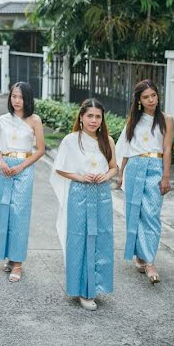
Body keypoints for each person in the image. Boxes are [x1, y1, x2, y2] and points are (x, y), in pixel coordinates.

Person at [50, 99, 118, 311]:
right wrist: (80, 177)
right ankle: (82, 290)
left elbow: (114, 167)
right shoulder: (71, 140)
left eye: (98, 116)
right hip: (79, 193)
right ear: (81, 117)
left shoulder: (108, 140)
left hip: (102, 194)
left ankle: (96, 286)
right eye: (90, 116)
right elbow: (60, 168)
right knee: (79, 238)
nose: (94, 120)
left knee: (101, 237)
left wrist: (106, 175)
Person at [0, 82, 45, 282]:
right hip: (4, 169)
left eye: (20, 97)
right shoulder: (3, 120)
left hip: (24, 168)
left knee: (19, 214)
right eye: (13, 96)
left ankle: (18, 262)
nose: (17, 101)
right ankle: (9, 257)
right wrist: (1, 162)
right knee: (4, 212)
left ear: (27, 99)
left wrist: (22, 166)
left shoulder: (34, 120)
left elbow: (40, 150)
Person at [116, 79, 173, 284]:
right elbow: (126, 147)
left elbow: (167, 149)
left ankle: (150, 261)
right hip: (134, 166)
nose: (151, 100)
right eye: (146, 97)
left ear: (158, 96)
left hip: (156, 168)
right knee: (135, 212)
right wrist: (121, 173)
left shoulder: (167, 119)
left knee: (151, 214)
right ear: (139, 100)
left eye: (154, 96)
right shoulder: (134, 118)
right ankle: (141, 255)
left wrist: (166, 176)